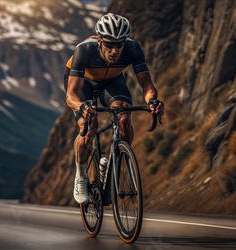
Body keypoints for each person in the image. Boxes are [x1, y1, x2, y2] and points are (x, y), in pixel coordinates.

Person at [64, 13, 164, 204]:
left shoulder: (133, 48)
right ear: (100, 40)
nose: (115, 50)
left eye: (120, 44)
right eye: (109, 44)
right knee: (88, 128)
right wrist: (81, 106)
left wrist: (152, 101)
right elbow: (71, 95)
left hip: (111, 81)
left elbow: (147, 86)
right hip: (83, 83)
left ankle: (112, 166)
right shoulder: (84, 50)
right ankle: (81, 176)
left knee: (124, 115)